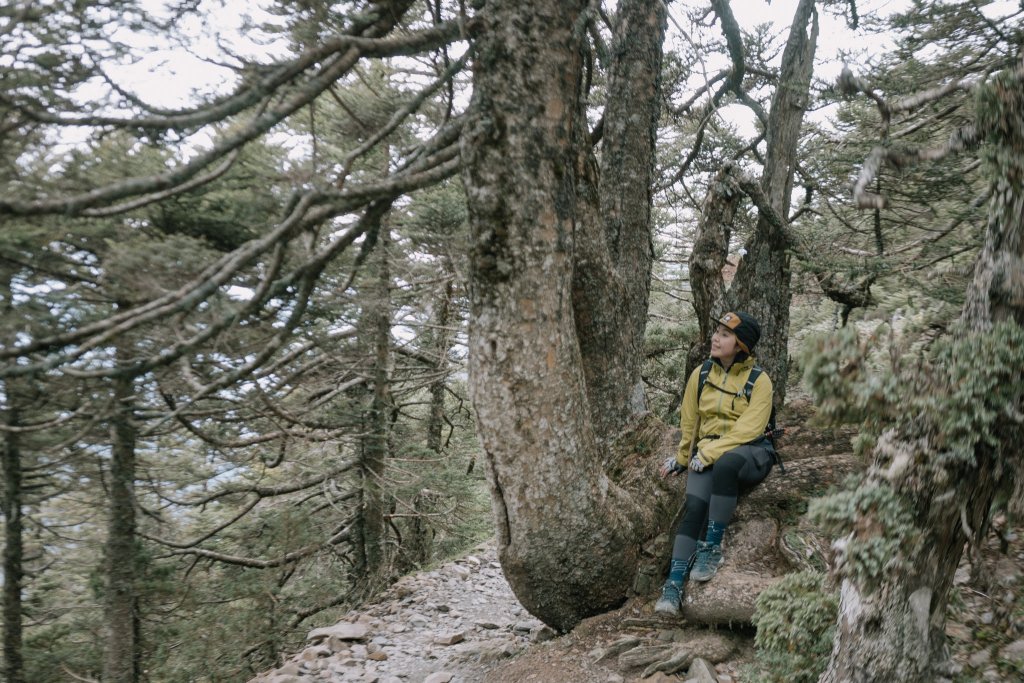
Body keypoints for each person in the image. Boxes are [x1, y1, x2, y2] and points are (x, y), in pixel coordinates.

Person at [654, 311, 776, 616]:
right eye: (716, 331)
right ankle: (673, 585)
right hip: (708, 451)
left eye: (724, 334)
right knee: (694, 507)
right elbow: (690, 419)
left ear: (741, 345)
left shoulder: (759, 381)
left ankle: (711, 548)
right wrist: (683, 458)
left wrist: (709, 453)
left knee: (725, 464)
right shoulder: (702, 374)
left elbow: (750, 429)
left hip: (748, 452)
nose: (715, 338)